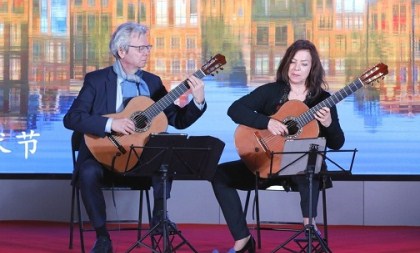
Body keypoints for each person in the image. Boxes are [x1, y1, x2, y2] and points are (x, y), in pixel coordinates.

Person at [63, 22, 206, 253]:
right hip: (103, 155)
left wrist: (197, 101)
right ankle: (102, 238)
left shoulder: (152, 82)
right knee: (87, 172)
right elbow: (72, 118)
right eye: (141, 48)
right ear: (122, 51)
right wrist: (112, 123)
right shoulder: (97, 80)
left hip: (142, 159)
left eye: (148, 47)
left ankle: (159, 220)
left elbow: (176, 120)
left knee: (165, 159)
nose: (147, 52)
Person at [211, 39, 345, 253]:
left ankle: (310, 231)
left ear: (313, 68)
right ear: (285, 64)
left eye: (303, 63)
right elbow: (235, 109)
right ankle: (243, 240)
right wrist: (267, 122)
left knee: (310, 168)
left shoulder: (323, 100)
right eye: (293, 62)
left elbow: (338, 143)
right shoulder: (272, 91)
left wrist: (328, 124)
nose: (297, 68)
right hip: (266, 162)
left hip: (300, 171)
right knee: (219, 174)